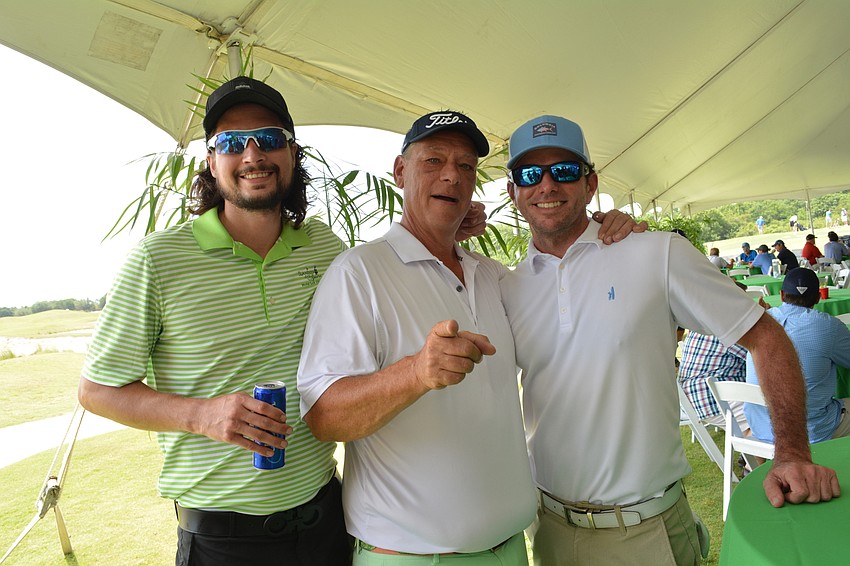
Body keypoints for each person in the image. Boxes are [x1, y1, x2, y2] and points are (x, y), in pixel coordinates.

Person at [297, 111, 641, 565]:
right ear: (400, 172)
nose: (451, 176)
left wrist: (609, 233)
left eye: (465, 166)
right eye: (433, 160)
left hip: (511, 549)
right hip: (414, 556)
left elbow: (568, 287)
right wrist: (415, 373)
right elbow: (324, 417)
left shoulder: (491, 276)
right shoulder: (359, 273)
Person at [500, 114, 839, 566]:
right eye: (530, 174)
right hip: (550, 534)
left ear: (590, 182)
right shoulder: (504, 287)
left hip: (646, 533)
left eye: (564, 170)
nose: (547, 185)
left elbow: (766, 336)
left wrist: (792, 454)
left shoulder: (654, 252)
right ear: (512, 191)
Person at [77, 77, 356, 565]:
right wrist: (201, 415)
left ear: (292, 154)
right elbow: (97, 391)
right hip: (223, 542)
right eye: (230, 143)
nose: (252, 155)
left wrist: (446, 224)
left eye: (269, 138)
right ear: (211, 161)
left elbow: (381, 283)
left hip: (326, 523)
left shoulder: (323, 246)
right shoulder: (157, 260)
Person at [746, 268, 850, 444]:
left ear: (781, 295)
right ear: (818, 297)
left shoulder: (758, 323)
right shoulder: (830, 327)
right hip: (811, 431)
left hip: (761, 429)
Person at [678, 282, 752, 432]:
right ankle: (748, 451)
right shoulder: (729, 326)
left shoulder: (704, 321)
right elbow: (757, 356)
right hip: (711, 399)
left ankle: (747, 450)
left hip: (692, 397)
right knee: (770, 417)